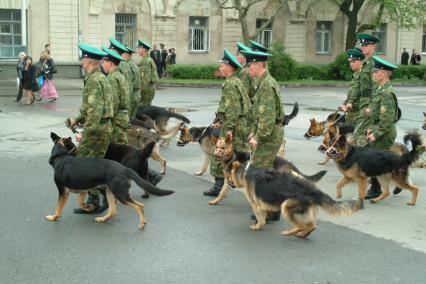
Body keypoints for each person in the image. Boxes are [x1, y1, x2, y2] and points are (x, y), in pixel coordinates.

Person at [67, 43, 113, 214]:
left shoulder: (94, 79)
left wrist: (84, 132)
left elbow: (95, 110)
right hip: (103, 128)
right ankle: (104, 199)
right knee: (95, 164)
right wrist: (77, 120)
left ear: (88, 60)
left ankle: (94, 203)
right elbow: (90, 107)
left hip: (96, 131)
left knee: (86, 166)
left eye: (82, 59)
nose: (81, 62)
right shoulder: (100, 77)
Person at [241, 49, 284, 221]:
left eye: (250, 65)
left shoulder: (266, 84)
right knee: (268, 173)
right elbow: (259, 112)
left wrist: (258, 137)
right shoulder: (263, 81)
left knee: (260, 172)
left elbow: (267, 116)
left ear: (259, 65)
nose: (248, 68)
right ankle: (273, 210)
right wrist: (253, 131)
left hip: (269, 134)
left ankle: (267, 210)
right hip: (269, 131)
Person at [203, 48, 251, 196]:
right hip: (237, 125)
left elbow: (233, 110)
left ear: (229, 67)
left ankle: (221, 185)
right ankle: (227, 184)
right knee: (239, 156)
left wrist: (228, 129)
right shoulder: (234, 81)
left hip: (233, 126)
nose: (219, 68)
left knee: (221, 154)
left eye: (222, 65)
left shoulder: (231, 83)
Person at [352, 33, 385, 199]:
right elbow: (358, 86)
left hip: (372, 107)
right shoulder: (364, 63)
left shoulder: (375, 64)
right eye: (362, 45)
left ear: (373, 46)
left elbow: (377, 88)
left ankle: (377, 185)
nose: (363, 47)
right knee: (364, 143)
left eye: (367, 45)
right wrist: (351, 101)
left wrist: (372, 107)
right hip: (364, 106)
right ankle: (378, 182)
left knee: (366, 144)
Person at [101, 46, 130, 144]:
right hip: (122, 118)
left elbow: (112, 103)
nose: (102, 65)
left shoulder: (111, 78)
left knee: (117, 150)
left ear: (110, 63)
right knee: (122, 148)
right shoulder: (120, 75)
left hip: (116, 120)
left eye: (104, 62)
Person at [340, 47, 365, 124]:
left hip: (358, 115)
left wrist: (349, 105)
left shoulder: (363, 75)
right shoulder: (356, 74)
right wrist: (345, 104)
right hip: (352, 113)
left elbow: (362, 96)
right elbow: (352, 93)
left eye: (354, 62)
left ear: (361, 61)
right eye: (350, 62)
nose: (351, 64)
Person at [137, 39, 159, 106]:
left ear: (144, 49)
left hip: (145, 92)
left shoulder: (145, 61)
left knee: (143, 111)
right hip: (149, 90)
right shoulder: (148, 59)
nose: (137, 50)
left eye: (139, 48)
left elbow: (145, 80)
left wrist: (140, 93)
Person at [122, 45, 141, 120]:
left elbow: (128, 83)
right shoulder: (133, 64)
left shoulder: (127, 65)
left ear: (125, 54)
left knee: (127, 120)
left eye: (121, 53)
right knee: (131, 120)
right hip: (136, 95)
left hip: (131, 96)